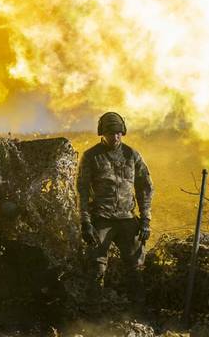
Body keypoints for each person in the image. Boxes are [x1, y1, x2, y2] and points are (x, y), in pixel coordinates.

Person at [77, 111, 154, 300]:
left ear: (123, 132)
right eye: (110, 133)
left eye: (119, 132)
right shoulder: (91, 156)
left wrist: (145, 219)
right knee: (97, 266)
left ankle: (137, 310)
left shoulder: (132, 155)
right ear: (102, 133)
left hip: (127, 218)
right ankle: (94, 315)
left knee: (136, 266)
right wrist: (86, 222)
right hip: (102, 219)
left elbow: (145, 187)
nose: (115, 136)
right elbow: (82, 191)